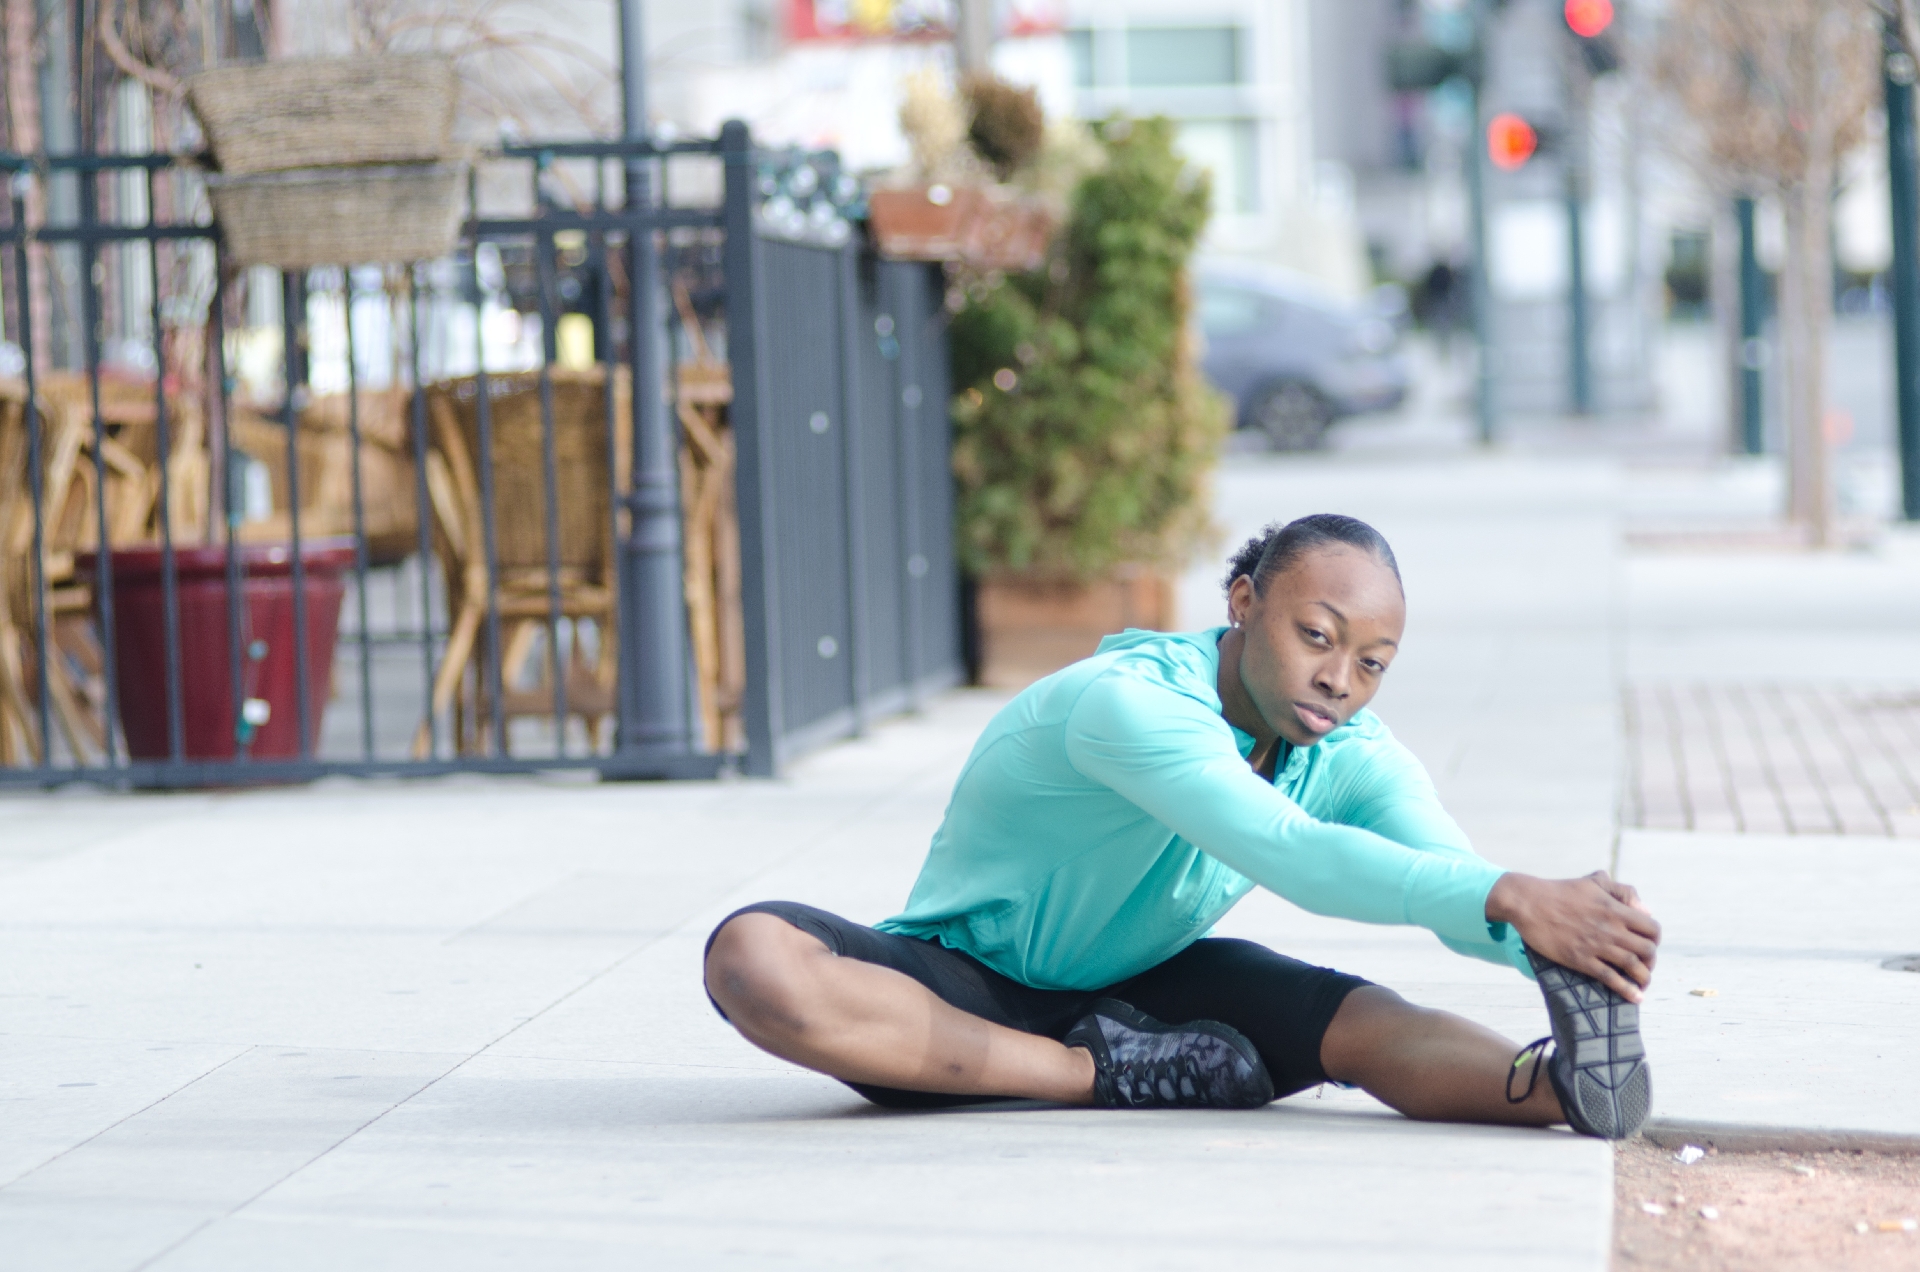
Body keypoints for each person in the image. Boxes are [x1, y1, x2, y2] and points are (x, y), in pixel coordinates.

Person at [704, 514, 1658, 1138]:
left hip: (1144, 992)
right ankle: (1085, 1076)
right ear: (1244, 603)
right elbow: (1296, 855)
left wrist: (1551, 945)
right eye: (1317, 637)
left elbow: (1443, 874)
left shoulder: (1348, 748)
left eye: (1373, 663)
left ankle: (1560, 1088)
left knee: (1367, 1025)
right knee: (752, 957)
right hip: (964, 985)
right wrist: (1512, 896)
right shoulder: (1131, 705)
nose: (1339, 680)